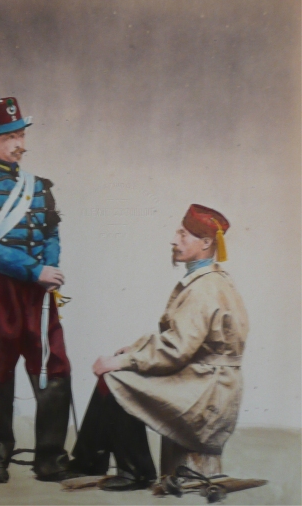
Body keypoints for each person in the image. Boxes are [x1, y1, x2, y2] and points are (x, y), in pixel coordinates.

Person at [68, 204, 249, 491]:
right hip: (206, 381)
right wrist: (134, 350)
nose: (174, 240)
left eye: (183, 235)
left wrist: (123, 362)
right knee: (117, 374)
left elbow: (176, 350)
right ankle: (89, 461)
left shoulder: (205, 288)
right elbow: (182, 339)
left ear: (206, 243)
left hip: (207, 393)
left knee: (116, 379)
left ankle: (132, 471)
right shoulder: (210, 280)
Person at [0, 97, 74, 484]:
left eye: (21, 135)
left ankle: (50, 458)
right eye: (9, 137)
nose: (18, 144)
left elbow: (51, 233)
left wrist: (50, 268)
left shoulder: (39, 188)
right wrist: (34, 269)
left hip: (37, 291)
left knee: (54, 367)